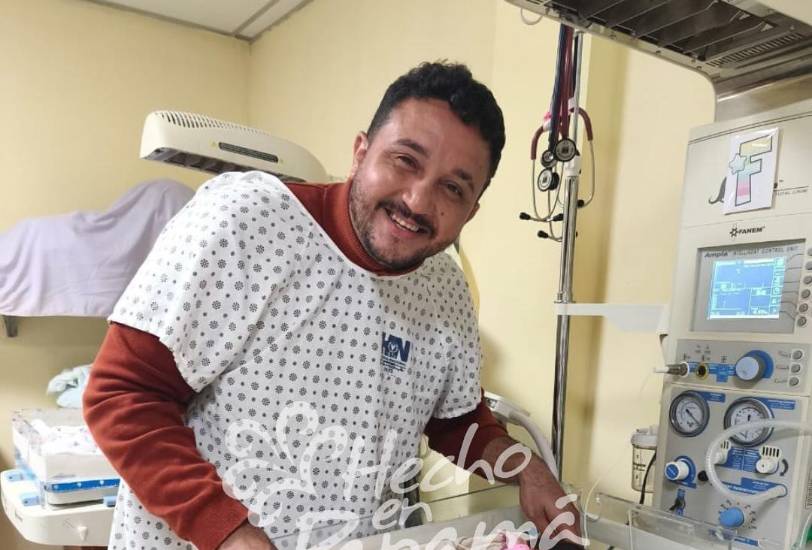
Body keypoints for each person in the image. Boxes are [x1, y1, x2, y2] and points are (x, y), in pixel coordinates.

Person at [83, 61, 581, 550]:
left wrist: (526, 468)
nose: (417, 201)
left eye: (452, 188)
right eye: (405, 160)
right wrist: (226, 530)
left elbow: (455, 420)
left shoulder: (445, 288)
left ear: (471, 211)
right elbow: (123, 395)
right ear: (361, 152)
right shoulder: (246, 224)